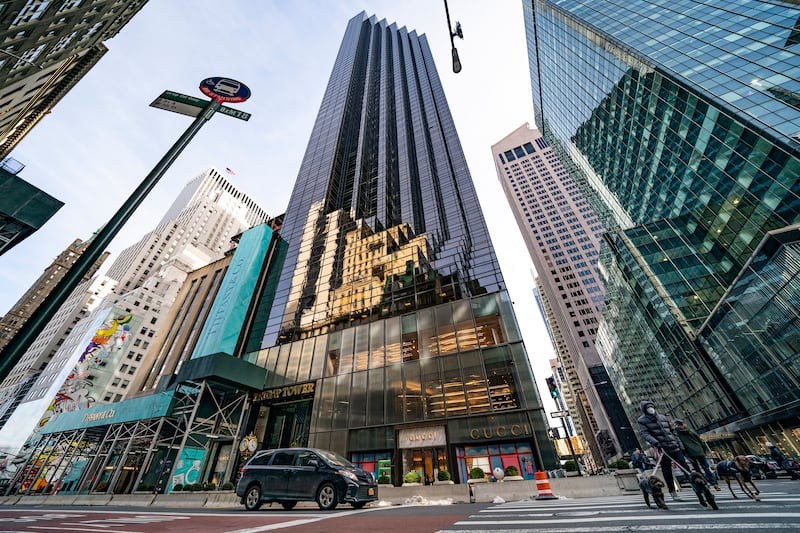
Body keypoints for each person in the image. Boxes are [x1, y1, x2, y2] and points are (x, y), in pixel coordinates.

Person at [636, 400, 693, 501]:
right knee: (667, 471)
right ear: (644, 410)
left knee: (685, 466)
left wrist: (679, 445)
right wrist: (656, 443)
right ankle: (672, 491)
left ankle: (695, 485)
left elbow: (672, 432)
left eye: (651, 406)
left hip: (674, 447)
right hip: (662, 449)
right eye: (647, 407)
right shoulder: (642, 420)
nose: (650, 409)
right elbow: (645, 434)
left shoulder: (663, 417)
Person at [673, 419, 719, 490]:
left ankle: (704, 483)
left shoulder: (677, 434)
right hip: (700, 452)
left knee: (697, 470)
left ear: (677, 425)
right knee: (706, 468)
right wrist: (704, 451)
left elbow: (680, 445)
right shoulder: (691, 431)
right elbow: (700, 441)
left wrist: (685, 454)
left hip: (690, 453)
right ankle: (714, 483)